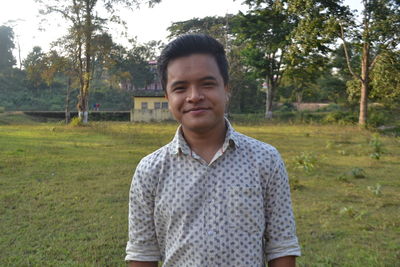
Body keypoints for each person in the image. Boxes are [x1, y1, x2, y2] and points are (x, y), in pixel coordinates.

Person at [125, 34, 301, 267]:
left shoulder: (265, 160)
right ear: (167, 97)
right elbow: (142, 252)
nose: (194, 96)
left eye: (207, 84)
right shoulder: (150, 170)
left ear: (226, 89)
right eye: (180, 88)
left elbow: (281, 245)